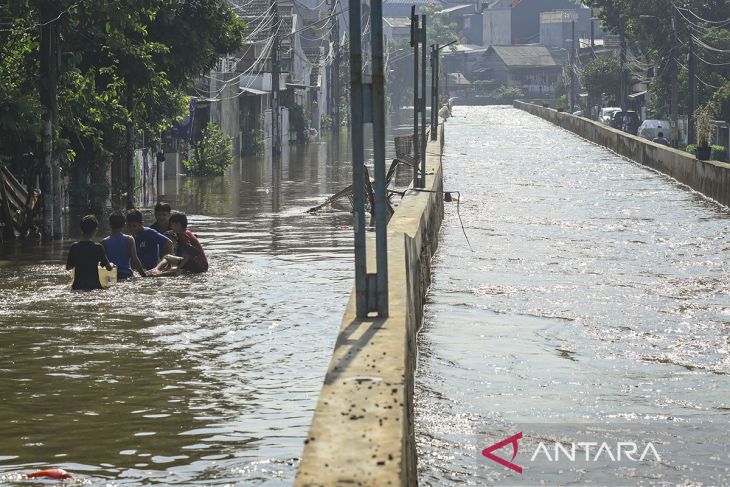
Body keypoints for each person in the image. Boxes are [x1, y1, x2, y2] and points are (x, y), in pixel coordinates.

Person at [66, 215, 113, 290]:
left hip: (77, 287)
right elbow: (109, 268)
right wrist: (112, 264)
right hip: (94, 286)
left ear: (81, 230)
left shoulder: (74, 247)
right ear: (95, 230)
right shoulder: (98, 247)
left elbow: (68, 267)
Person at [102, 213, 147, 279]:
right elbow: (135, 259)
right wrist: (144, 275)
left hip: (111, 276)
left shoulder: (104, 242)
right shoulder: (129, 239)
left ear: (110, 225)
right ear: (124, 224)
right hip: (126, 274)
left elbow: (102, 262)